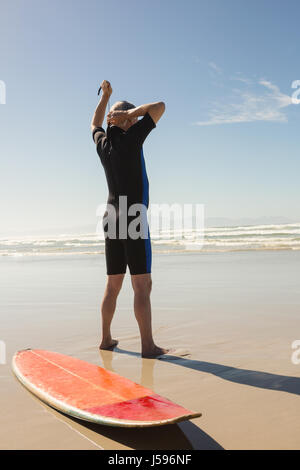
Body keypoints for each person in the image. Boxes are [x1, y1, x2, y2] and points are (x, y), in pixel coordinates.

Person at [91, 79, 169, 358]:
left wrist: (105, 99)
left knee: (113, 283)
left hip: (111, 216)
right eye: (130, 117)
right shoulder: (132, 138)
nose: (135, 120)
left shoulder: (103, 144)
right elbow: (160, 107)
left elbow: (94, 125)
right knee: (142, 284)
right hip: (134, 216)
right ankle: (147, 346)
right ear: (123, 121)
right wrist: (131, 114)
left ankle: (106, 339)